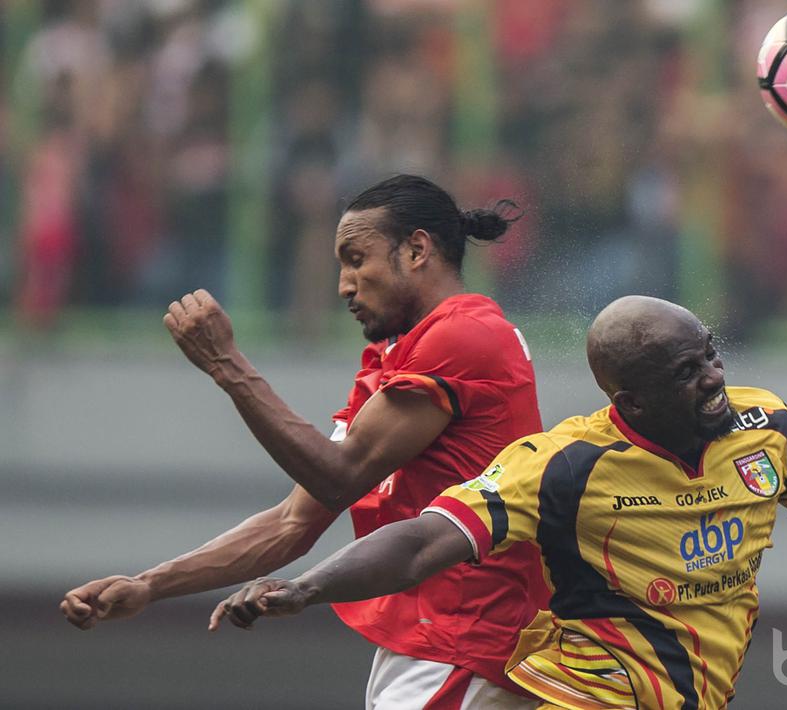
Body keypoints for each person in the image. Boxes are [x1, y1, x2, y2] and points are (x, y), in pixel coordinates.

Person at [210, 295, 787, 709]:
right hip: (577, 690)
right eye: (687, 371)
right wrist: (304, 587)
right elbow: (421, 543)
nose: (715, 379)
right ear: (633, 398)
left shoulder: (766, 434)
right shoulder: (563, 466)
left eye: (711, 355)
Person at [61, 174, 548, 709]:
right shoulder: (397, 358)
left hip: (468, 639)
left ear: (416, 250)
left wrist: (228, 366)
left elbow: (338, 478)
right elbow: (293, 522)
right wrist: (150, 585)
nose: (344, 285)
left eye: (356, 260)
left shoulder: (464, 335)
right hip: (432, 643)